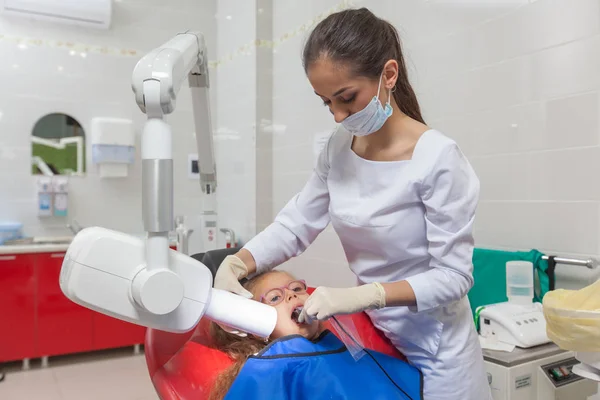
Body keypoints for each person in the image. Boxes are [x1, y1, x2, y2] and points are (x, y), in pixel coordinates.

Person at [214, 7, 491, 400]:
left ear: (388, 75)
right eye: (326, 102)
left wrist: (367, 294)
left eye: (346, 98)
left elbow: (454, 277)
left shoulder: (438, 159)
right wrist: (239, 262)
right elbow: (296, 225)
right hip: (376, 334)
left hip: (440, 349)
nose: (338, 116)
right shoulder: (339, 148)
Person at [209, 270, 423, 400]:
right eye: (275, 298)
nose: (292, 294)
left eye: (297, 288)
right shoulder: (267, 370)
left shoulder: (347, 352)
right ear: (253, 326)